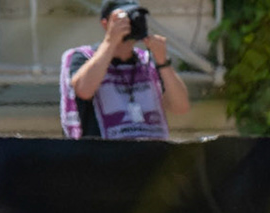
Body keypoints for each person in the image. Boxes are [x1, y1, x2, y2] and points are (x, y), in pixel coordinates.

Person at [61, 1, 188, 139]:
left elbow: (180, 107)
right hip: (103, 150)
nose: (132, 23)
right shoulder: (83, 57)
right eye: (124, 18)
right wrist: (110, 42)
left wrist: (163, 62)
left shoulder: (147, 61)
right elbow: (83, 90)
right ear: (105, 24)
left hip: (149, 149)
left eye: (137, 17)